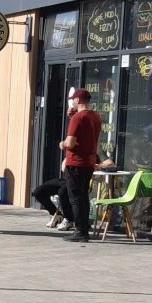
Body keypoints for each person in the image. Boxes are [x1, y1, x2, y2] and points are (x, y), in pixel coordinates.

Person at [59, 88, 102, 243]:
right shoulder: (95, 116)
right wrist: (72, 116)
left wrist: (62, 144)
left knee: (75, 197)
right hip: (89, 162)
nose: (72, 102)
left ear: (77, 100)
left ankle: (80, 231)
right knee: (83, 196)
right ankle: (85, 227)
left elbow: (70, 143)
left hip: (76, 162)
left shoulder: (77, 118)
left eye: (73, 100)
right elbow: (86, 132)